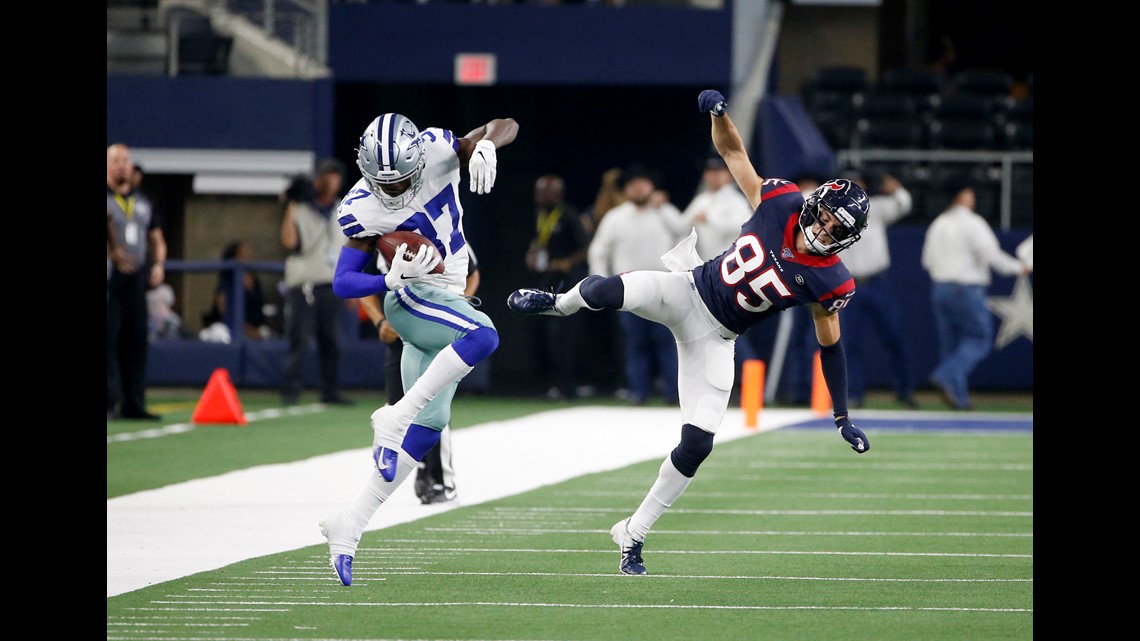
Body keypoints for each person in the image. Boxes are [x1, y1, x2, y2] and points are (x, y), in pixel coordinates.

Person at [507, 89, 871, 576]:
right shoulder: (781, 201)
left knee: (698, 444)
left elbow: (832, 345)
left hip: (717, 338)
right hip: (687, 289)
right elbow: (733, 152)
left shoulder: (832, 280)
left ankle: (633, 532)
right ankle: (555, 304)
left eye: (836, 227)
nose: (825, 229)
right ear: (817, 203)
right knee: (605, 288)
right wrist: (720, 115)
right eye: (826, 216)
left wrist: (841, 415)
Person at [319, 111, 518, 586]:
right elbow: (343, 281)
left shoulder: (433, 148)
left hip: (447, 294)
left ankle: (350, 523)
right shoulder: (361, 206)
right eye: (382, 184)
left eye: (401, 180)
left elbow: (503, 124)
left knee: (429, 429)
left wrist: (486, 144)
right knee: (484, 335)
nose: (391, 192)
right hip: (412, 296)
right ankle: (393, 415)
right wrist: (386, 279)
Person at [358, 244, 483, 505]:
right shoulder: (380, 233)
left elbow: (472, 273)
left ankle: (441, 479)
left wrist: (458, 306)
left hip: (434, 329)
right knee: (398, 407)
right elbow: (361, 282)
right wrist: (379, 321)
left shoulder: (442, 228)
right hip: (400, 331)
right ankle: (422, 471)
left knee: (433, 407)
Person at [921, 183, 1030, 410]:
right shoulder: (973, 223)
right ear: (962, 195)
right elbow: (991, 255)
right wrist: (1017, 268)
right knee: (979, 339)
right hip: (966, 288)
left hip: (940, 288)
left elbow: (927, 261)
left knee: (951, 346)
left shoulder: (938, 223)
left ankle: (960, 400)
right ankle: (946, 374)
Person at [587, 164, 688, 405]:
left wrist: (684, 276)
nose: (639, 188)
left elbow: (685, 233)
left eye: (644, 183)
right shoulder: (616, 217)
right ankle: (638, 392)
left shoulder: (666, 213)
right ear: (626, 190)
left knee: (668, 342)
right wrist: (600, 283)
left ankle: (674, 394)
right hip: (629, 288)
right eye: (633, 184)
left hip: (665, 288)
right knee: (636, 342)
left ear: (653, 187)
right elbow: (598, 251)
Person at [836, 172, 918, 409]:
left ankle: (905, 390)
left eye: (858, 185)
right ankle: (854, 394)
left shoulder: (876, 208)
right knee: (849, 343)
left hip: (877, 282)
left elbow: (904, 204)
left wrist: (895, 187)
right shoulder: (830, 213)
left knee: (894, 336)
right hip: (848, 285)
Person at [280, 159, 354, 406]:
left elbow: (349, 249)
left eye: (335, 176)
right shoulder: (300, 208)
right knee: (298, 340)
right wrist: (291, 203)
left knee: (331, 341)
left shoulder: (342, 208)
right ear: (317, 179)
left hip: (331, 283)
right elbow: (289, 243)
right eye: (326, 176)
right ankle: (290, 391)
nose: (331, 181)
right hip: (304, 284)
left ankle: (330, 391)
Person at [107, 143, 168, 421]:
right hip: (109, 279)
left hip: (136, 279)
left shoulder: (143, 202)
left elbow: (157, 239)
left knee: (136, 340)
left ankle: (134, 402)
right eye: (116, 160)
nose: (122, 165)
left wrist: (158, 264)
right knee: (109, 340)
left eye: (126, 160)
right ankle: (109, 402)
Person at [525, 174, 592, 399]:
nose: (539, 197)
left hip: (569, 284)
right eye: (538, 192)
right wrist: (532, 254)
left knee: (567, 336)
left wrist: (567, 262)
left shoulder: (569, 215)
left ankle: (572, 386)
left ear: (557, 194)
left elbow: (586, 248)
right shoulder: (539, 215)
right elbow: (538, 241)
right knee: (551, 337)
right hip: (547, 282)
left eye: (544, 192)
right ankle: (558, 384)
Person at [682, 155, 754, 262]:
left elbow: (745, 226)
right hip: (705, 262)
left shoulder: (737, 200)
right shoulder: (701, 200)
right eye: (710, 171)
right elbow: (681, 226)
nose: (714, 176)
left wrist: (710, 220)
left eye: (719, 171)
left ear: (729, 174)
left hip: (731, 261)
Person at [201, 240, 270, 340]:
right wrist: (246, 329)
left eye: (247, 254)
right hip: (232, 330)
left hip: (257, 328)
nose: (246, 257)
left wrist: (255, 330)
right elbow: (224, 310)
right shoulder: (227, 281)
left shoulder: (254, 280)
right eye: (242, 255)